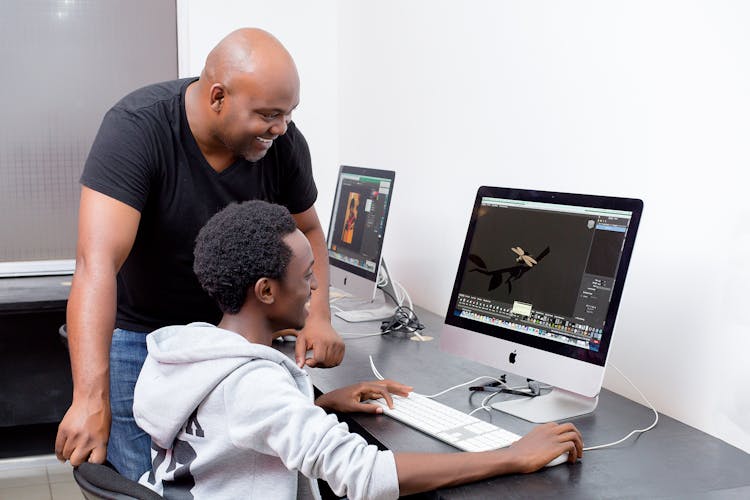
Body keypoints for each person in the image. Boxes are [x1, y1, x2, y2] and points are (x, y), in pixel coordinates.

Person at [132, 200, 584, 499]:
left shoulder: (193, 352)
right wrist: (511, 456)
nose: (315, 286)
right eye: (307, 275)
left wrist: (320, 406)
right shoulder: (253, 386)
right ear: (266, 291)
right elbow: (364, 476)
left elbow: (231, 429)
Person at [54, 28, 345, 480]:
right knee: (147, 483)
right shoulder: (137, 129)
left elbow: (307, 227)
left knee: (223, 475)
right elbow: (96, 265)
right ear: (216, 98)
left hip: (230, 337)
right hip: (143, 336)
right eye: (269, 115)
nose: (281, 128)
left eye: (288, 115)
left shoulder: (282, 142)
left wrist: (319, 315)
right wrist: (90, 398)